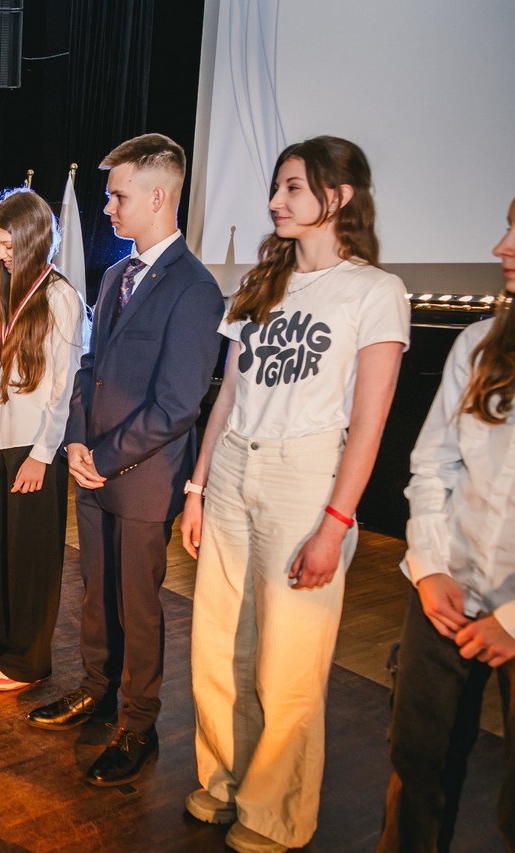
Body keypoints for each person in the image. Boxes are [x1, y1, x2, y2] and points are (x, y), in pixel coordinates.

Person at [180, 136, 409, 851]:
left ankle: (275, 812)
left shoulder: (376, 292)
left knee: (289, 659)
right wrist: (196, 485)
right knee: (218, 644)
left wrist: (335, 524)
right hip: (231, 470)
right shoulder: (263, 281)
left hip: (304, 475)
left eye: (293, 188)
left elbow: (369, 423)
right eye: (277, 187)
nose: (276, 201)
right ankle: (224, 780)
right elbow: (227, 395)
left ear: (337, 197)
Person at [25, 133, 224, 788]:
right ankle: (97, 690)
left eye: (118, 196)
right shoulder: (116, 274)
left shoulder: (195, 288)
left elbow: (178, 405)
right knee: (95, 594)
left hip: (144, 478)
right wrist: (77, 440)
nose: (107, 208)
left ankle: (139, 723)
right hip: (96, 467)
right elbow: (91, 367)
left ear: (159, 196)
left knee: (138, 605)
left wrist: (103, 457)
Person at [377, 199, 515, 852]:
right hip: (444, 594)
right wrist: (431, 568)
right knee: (417, 760)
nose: (500, 247)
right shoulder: (479, 343)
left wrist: (510, 620)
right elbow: (433, 462)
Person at [0, 187, 85, 691]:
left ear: (34, 240)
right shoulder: (5, 289)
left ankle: (28, 660)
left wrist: (42, 456)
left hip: (32, 447)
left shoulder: (60, 297)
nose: (2, 255)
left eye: (9, 246)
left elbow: (64, 386)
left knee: (29, 558)